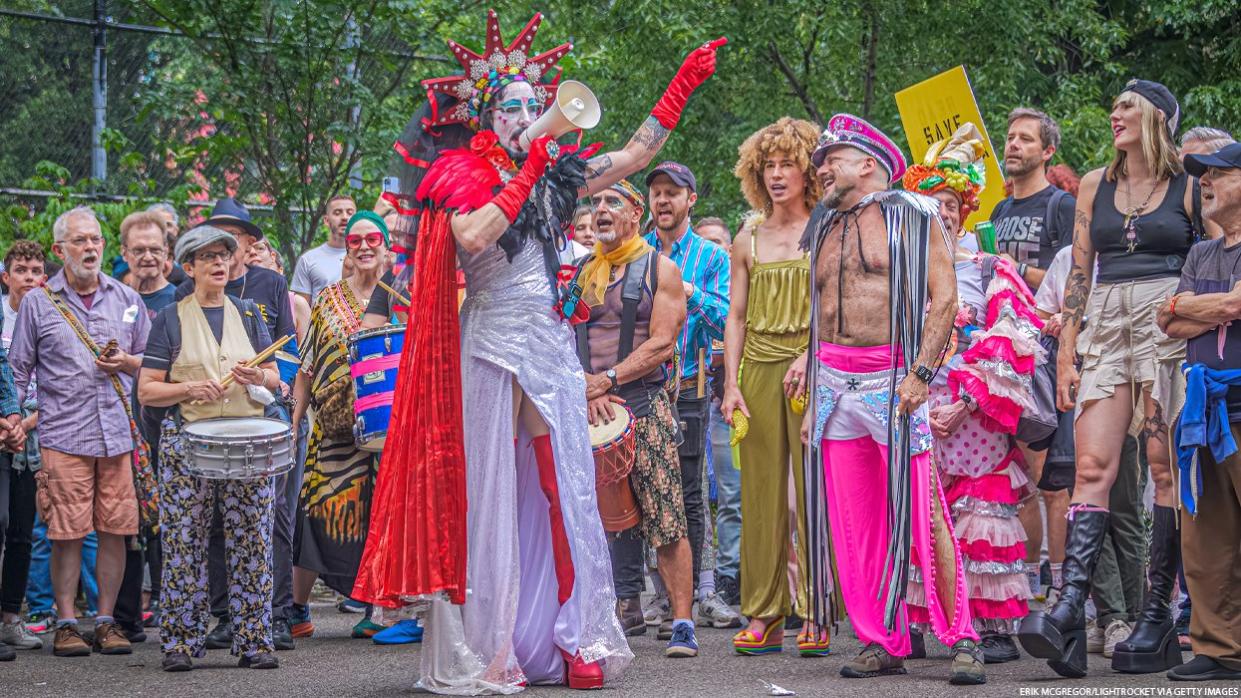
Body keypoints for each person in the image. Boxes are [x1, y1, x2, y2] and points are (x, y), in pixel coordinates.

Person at [352, 10, 723, 691]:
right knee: (491, 490)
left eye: (537, 103)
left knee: (564, 487)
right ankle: (495, 649)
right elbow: (472, 237)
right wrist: (524, 171)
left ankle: (575, 636)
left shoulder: (556, 175)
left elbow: (636, 154)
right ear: (488, 117)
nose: (532, 113)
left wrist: (681, 85)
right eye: (516, 106)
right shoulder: (461, 171)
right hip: (492, 343)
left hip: (548, 345)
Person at [799, 114, 984, 684]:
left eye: (833, 156)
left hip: (894, 381)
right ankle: (883, 639)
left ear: (869, 162)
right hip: (833, 384)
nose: (822, 167)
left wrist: (922, 373)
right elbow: (817, 311)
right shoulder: (821, 225)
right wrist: (810, 385)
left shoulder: (915, 213)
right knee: (856, 525)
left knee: (924, 514)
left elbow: (945, 299)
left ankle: (963, 638)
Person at [1019, 79, 1195, 678]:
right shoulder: (1096, 183)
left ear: (1157, 119)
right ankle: (1070, 607)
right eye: (1114, 104)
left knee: (1163, 466)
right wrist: (1066, 353)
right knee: (1092, 469)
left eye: (1127, 105)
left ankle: (1155, 615)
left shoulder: (1189, 186)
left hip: (1167, 319)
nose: (1115, 113)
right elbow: (1079, 277)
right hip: (1106, 320)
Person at [903, 123, 1040, 665]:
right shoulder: (904, 276)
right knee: (923, 513)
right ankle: (920, 618)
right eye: (932, 204)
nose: (944, 212)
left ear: (966, 208)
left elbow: (1014, 338)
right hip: (921, 410)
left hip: (976, 416)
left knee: (983, 513)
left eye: (952, 204)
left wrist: (968, 400)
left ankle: (992, 627)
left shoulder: (991, 268)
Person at [138, 226, 281, 672]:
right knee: (184, 540)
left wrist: (259, 379)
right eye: (208, 257)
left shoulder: (249, 314)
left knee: (252, 539)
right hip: (188, 442)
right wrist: (186, 388)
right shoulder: (170, 318)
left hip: (246, 442)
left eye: (224, 254)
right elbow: (146, 390)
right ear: (189, 268)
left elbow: (277, 377)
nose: (219, 262)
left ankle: (255, 639)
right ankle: (179, 641)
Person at [8, 206, 150, 658]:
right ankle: (67, 623)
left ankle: (106, 621)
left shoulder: (126, 298)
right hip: (62, 435)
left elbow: (153, 363)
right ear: (59, 249)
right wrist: (13, 419)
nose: (91, 248)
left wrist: (126, 363)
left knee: (115, 530)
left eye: (96, 240)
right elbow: (17, 372)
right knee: (66, 532)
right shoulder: (37, 302)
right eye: (80, 241)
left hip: (117, 435)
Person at [572, 179, 697, 656]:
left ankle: (682, 621)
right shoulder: (581, 272)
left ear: (634, 214)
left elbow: (662, 342)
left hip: (642, 405)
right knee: (593, 522)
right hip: (586, 407)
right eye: (596, 202)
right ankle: (598, 616)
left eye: (612, 203)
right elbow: (563, 335)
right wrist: (583, 386)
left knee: (667, 517)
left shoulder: (659, 268)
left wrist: (607, 380)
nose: (601, 210)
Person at [173, 197, 299, 652]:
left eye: (234, 239)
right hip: (210, 418)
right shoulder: (182, 296)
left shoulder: (271, 283)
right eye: (215, 243)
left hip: (265, 412)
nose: (224, 250)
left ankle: (277, 613)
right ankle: (225, 614)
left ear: (247, 244)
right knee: (214, 521)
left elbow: (287, 355)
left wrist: (277, 393)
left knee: (273, 516)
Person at [722, 117, 825, 656]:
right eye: (769, 166)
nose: (778, 174)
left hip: (811, 367)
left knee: (810, 492)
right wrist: (730, 385)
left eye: (788, 164)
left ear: (808, 168)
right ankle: (764, 612)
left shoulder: (826, 229)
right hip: (758, 367)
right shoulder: (748, 236)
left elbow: (833, 310)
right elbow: (735, 317)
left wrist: (812, 355)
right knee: (760, 493)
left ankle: (815, 608)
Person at [1159, 141, 1241, 681]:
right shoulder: (1201, 254)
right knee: (1206, 536)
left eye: (1217, 173)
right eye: (1202, 176)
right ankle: (1217, 648)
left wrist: (1201, 307)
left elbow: (1233, 305)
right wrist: (1219, 305)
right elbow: (1169, 320)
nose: (1204, 183)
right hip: (1202, 412)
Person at [988, 109, 1076, 607]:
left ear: (1047, 152)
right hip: (999, 353)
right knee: (1015, 475)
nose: (1013, 145)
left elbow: (1071, 280)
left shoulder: (1062, 205)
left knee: (1050, 479)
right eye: (1010, 137)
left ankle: (1063, 587)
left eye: (1025, 139)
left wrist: (1014, 269)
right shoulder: (998, 213)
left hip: (1044, 353)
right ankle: (1023, 581)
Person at [288, 212, 389, 640]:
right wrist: (294, 422)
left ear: (385, 245)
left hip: (388, 430)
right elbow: (307, 368)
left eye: (372, 239)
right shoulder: (326, 299)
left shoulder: (399, 294)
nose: (364, 247)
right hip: (333, 428)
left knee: (379, 516)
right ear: (345, 250)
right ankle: (294, 608)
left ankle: (376, 607)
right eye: (355, 241)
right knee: (314, 512)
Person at [642, 161, 732, 638]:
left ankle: (692, 597)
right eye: (656, 192)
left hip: (691, 388)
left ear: (690, 200)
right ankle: (652, 599)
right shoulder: (636, 252)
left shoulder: (712, 257)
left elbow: (725, 318)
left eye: (672, 192)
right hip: (642, 387)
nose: (662, 200)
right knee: (644, 493)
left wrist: (689, 290)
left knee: (689, 496)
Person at [0, 248, 32, 661]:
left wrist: (12, 417)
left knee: (17, 527)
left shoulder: (44, 312)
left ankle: (10, 618)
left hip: (22, 432)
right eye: (19, 270)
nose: (28, 277)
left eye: (35, 271)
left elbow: (3, 370)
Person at [291, 195, 356, 304]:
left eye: (350, 213)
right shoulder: (308, 259)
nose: (345, 217)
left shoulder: (367, 257)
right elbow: (301, 310)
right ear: (326, 220)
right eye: (337, 212)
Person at [122, 211, 178, 320]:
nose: (148, 257)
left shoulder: (179, 302)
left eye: (155, 250)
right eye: (139, 250)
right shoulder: (115, 300)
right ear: (124, 252)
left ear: (166, 251)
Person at [146, 202, 188, 286]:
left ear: (176, 230)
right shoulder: (131, 260)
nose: (163, 230)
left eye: (168, 225)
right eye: (157, 224)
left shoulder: (188, 258)